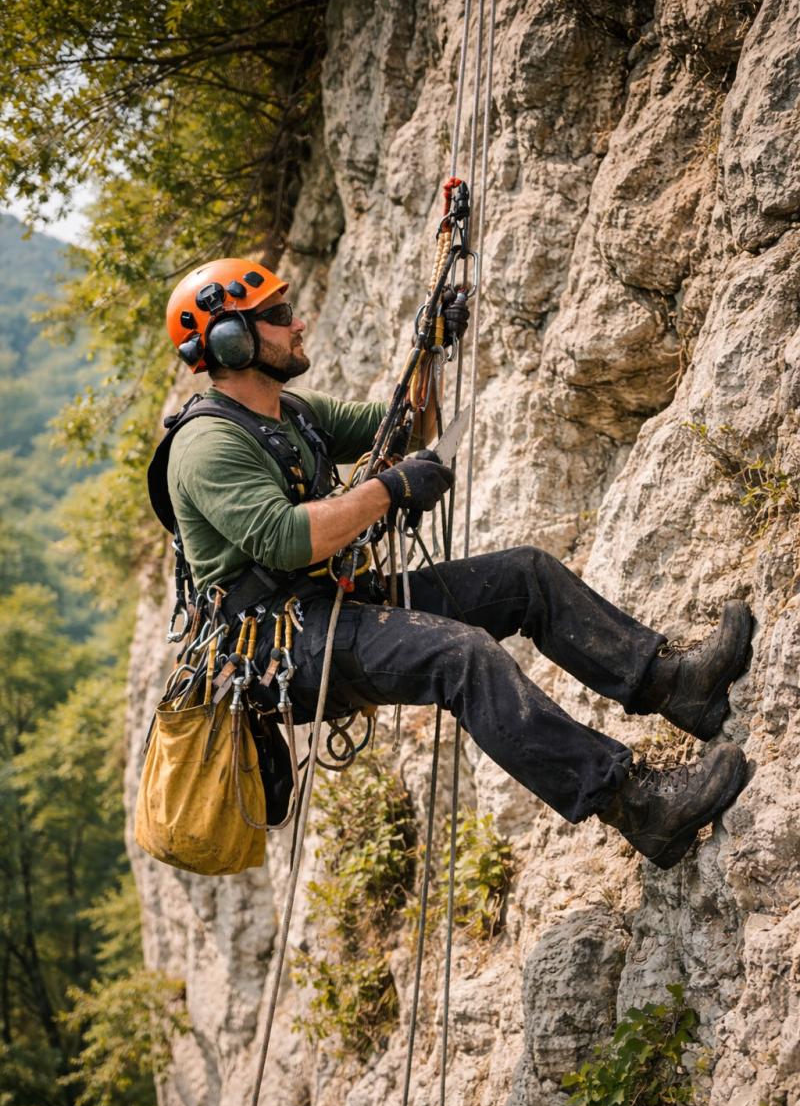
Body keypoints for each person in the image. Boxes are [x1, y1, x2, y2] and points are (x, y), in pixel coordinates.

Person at [149, 256, 752, 871]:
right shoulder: (207, 445)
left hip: (331, 605)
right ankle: (640, 807)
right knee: (459, 655)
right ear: (232, 339)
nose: (298, 324)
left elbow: (411, 426)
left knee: (525, 576)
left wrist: (430, 351)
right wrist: (388, 490)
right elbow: (285, 540)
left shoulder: (293, 414)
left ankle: (675, 686)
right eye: (278, 317)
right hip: (282, 643)